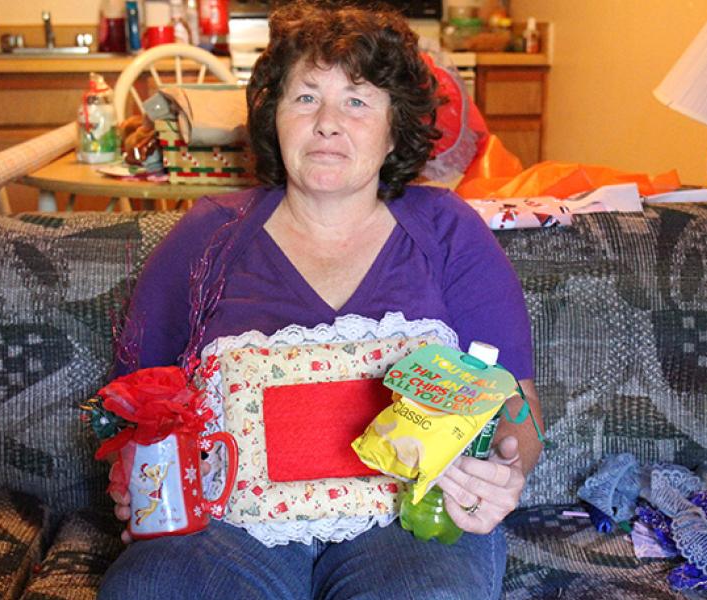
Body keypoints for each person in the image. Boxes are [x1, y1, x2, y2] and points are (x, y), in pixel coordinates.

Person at [99, 2, 544, 598]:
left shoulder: (448, 232)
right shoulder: (207, 236)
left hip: (408, 523)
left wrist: (505, 465)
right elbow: (133, 400)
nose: (327, 123)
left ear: (395, 128)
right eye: (305, 98)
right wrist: (133, 477)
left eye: (357, 101)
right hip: (227, 531)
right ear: (274, 118)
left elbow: (519, 407)